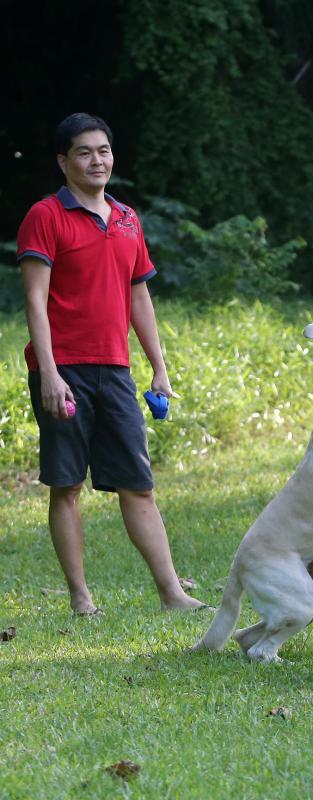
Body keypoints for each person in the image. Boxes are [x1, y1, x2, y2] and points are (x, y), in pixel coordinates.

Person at [17, 112, 207, 614]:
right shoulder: (45, 216)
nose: (96, 159)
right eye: (84, 151)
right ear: (64, 162)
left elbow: (139, 297)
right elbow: (35, 301)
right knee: (67, 485)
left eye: (103, 150)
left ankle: (172, 593)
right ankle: (81, 598)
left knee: (138, 485)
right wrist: (51, 374)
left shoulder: (126, 218)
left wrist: (158, 366)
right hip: (64, 370)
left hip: (115, 370)